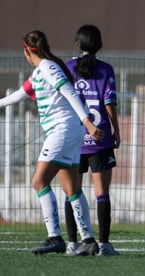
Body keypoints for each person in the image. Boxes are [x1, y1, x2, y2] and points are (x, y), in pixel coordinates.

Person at [0, 30, 104, 255]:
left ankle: (54, 237)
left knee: (39, 181)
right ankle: (88, 240)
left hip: (63, 130)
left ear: (26, 51)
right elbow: (19, 94)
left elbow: (69, 91)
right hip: (68, 131)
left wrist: (87, 121)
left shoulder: (48, 67)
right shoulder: (41, 71)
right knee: (72, 188)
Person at [64, 25, 121, 256]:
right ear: (99, 45)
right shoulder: (106, 69)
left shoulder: (67, 67)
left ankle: (72, 243)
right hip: (100, 139)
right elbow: (109, 103)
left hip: (74, 139)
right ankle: (104, 245)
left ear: (77, 43)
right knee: (102, 193)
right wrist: (115, 130)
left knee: (72, 191)